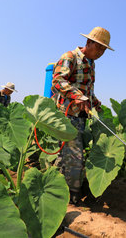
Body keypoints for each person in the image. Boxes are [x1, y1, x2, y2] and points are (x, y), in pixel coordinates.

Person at [51, 26, 114, 204]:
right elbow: (57, 81)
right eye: (99, 47)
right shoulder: (69, 57)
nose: (101, 52)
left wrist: (95, 102)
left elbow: (86, 89)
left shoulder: (91, 63)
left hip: (80, 118)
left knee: (67, 155)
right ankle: (72, 196)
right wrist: (78, 97)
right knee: (75, 156)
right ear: (88, 42)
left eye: (104, 49)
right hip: (66, 115)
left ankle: (57, 187)